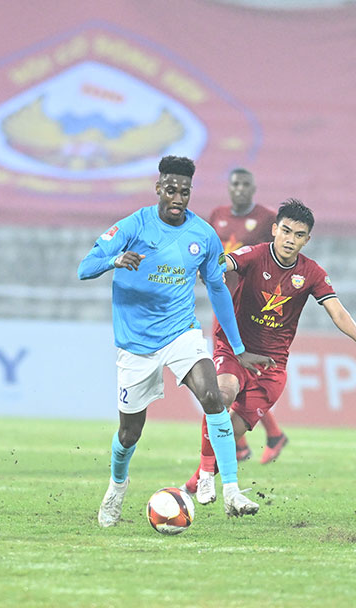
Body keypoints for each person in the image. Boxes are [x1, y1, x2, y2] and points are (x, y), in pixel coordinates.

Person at [78, 155, 274, 526]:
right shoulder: (134, 225)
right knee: (129, 431)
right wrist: (115, 260)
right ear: (158, 189)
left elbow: (217, 288)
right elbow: (84, 267)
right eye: (171, 190)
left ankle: (230, 489)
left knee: (213, 397)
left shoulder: (202, 235)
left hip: (180, 332)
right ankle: (117, 487)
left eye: (184, 192)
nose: (178, 198)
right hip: (136, 344)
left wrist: (237, 348)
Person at [183, 199, 356, 505]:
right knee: (221, 396)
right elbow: (229, 261)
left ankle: (199, 481)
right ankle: (208, 476)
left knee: (231, 431)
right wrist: (210, 267)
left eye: (298, 235)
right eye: (286, 231)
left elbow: (335, 308)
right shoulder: (257, 254)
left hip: (272, 367)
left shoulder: (311, 273)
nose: (290, 239)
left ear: (307, 239)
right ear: (274, 230)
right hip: (235, 350)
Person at [208, 168, 287, 464]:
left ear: (253, 188)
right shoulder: (217, 215)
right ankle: (259, 439)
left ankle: (247, 442)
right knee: (227, 376)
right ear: (228, 188)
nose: (239, 189)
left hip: (251, 308)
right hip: (222, 303)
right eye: (235, 184)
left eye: (245, 184)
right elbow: (207, 252)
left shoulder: (268, 218)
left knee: (233, 376)